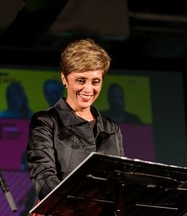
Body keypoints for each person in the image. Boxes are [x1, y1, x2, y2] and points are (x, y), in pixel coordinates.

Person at [26, 38, 125, 213]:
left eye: (96, 82)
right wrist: (75, 206)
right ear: (64, 78)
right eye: (81, 80)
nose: (88, 89)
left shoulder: (111, 128)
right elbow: (43, 176)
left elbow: (119, 181)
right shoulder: (46, 121)